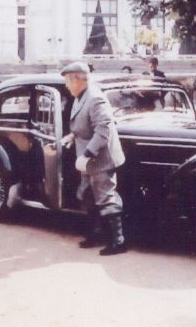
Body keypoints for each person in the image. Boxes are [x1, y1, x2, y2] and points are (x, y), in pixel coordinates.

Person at [60, 62, 127, 256]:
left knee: (106, 197)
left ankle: (118, 241)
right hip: (88, 159)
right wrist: (72, 136)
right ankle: (96, 234)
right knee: (88, 195)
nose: (66, 85)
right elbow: (84, 125)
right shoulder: (80, 96)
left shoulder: (95, 98)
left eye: (67, 81)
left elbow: (103, 130)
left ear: (78, 80)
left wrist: (87, 154)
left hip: (100, 159)